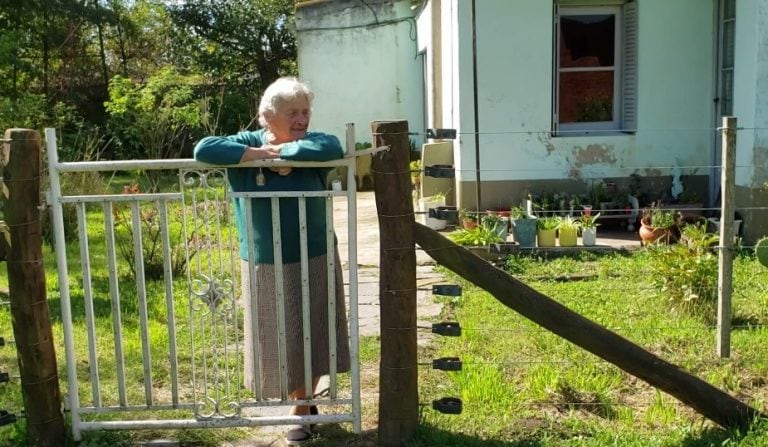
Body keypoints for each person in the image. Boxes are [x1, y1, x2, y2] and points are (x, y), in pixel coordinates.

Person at [194, 77, 350, 445]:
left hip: (314, 252)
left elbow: (332, 145)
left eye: (305, 111)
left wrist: (283, 153)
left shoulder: (315, 144)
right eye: (291, 112)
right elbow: (205, 148)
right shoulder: (246, 142)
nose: (301, 119)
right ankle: (304, 404)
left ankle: (302, 406)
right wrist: (258, 154)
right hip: (264, 259)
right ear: (267, 115)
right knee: (280, 335)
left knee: (313, 330)